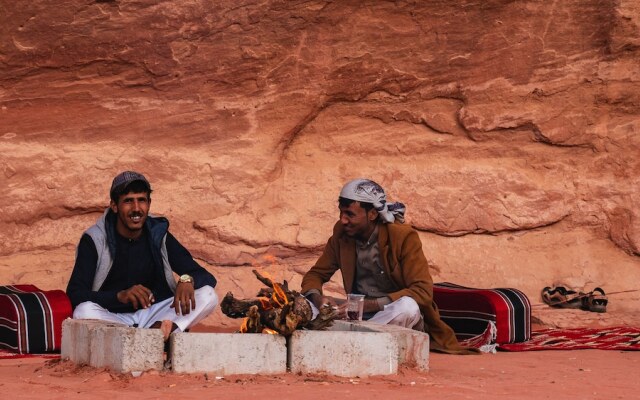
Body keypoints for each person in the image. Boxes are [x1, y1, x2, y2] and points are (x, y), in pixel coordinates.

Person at [301, 178, 475, 353]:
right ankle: (356, 339)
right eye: (341, 213)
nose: (343, 220)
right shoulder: (342, 234)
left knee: (408, 307)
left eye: (350, 214)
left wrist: (370, 305)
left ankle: (352, 341)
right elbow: (315, 275)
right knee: (303, 301)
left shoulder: (402, 236)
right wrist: (319, 299)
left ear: (372, 214)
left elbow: (422, 291)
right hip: (353, 315)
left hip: (389, 313)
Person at [66, 171, 218, 339]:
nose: (136, 209)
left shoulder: (158, 234)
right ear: (114, 206)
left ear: (149, 204)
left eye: (141, 200)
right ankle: (154, 336)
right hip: (113, 317)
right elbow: (75, 294)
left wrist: (186, 279)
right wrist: (119, 296)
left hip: (154, 315)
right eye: (128, 201)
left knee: (208, 295)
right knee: (83, 311)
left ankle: (155, 334)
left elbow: (204, 276)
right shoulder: (95, 239)